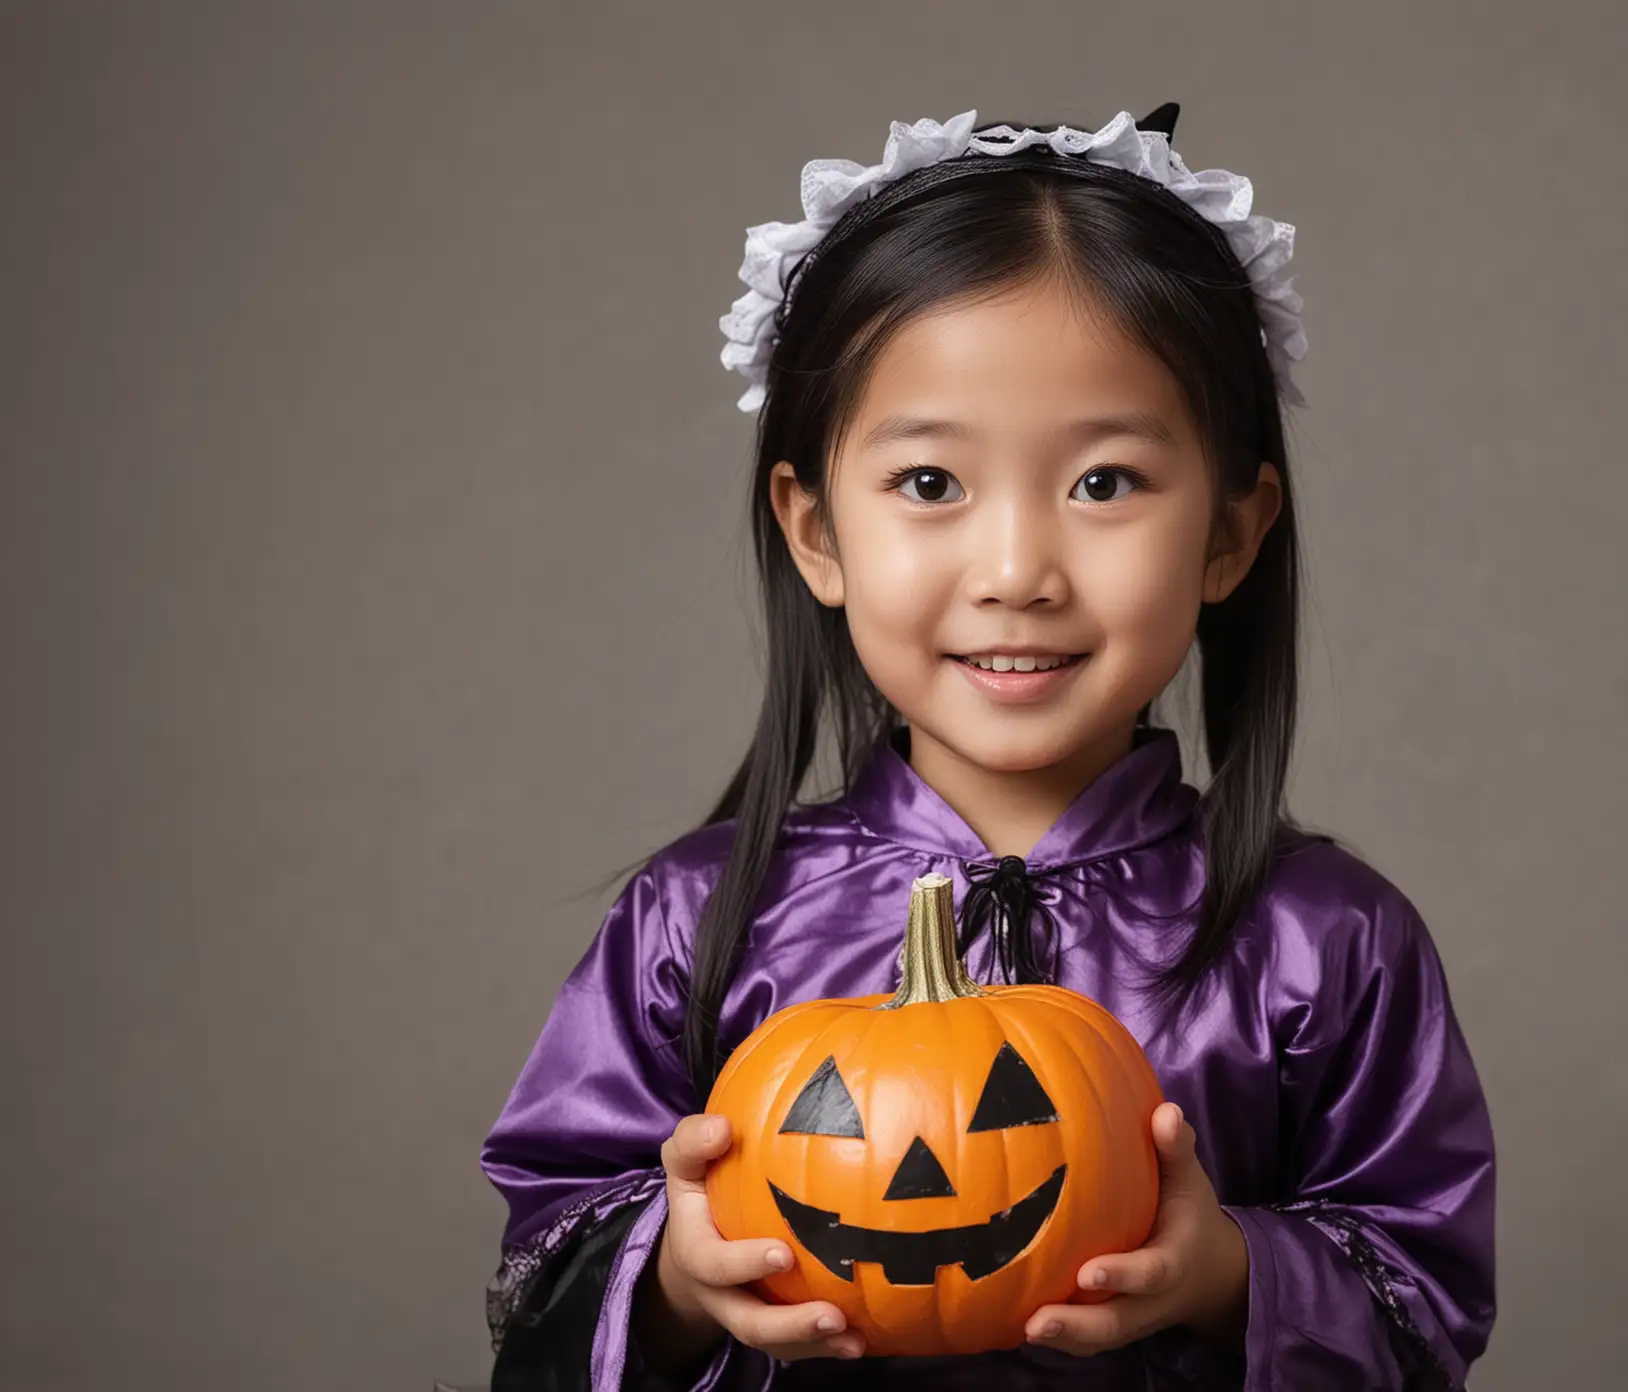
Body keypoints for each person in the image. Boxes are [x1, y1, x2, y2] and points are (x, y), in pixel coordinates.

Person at [479, 104, 1495, 1391]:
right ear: (816, 533)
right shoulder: (697, 923)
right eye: (929, 485)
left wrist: (1231, 1273)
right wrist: (674, 1281)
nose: (1016, 572)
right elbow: (541, 1268)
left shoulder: (1321, 941)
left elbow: (1427, 1299)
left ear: (1233, 533)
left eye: (1105, 483)